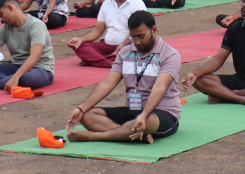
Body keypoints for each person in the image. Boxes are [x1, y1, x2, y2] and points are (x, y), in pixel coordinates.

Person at [65, 11, 180, 143]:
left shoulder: (170, 55)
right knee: (86, 115)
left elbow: (160, 87)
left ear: (154, 30)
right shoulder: (125, 52)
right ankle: (132, 134)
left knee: (149, 121)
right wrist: (81, 108)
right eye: (133, 37)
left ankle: (95, 136)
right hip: (133, 110)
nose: (137, 42)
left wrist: (144, 115)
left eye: (141, 36)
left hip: (161, 112)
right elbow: (108, 83)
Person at [68, 0, 146, 68]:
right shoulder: (106, 3)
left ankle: (97, 60)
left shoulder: (137, 4)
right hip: (107, 46)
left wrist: (122, 45)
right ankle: (110, 62)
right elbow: (98, 30)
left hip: (128, 46)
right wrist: (80, 39)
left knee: (135, 51)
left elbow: (138, 33)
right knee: (80, 46)